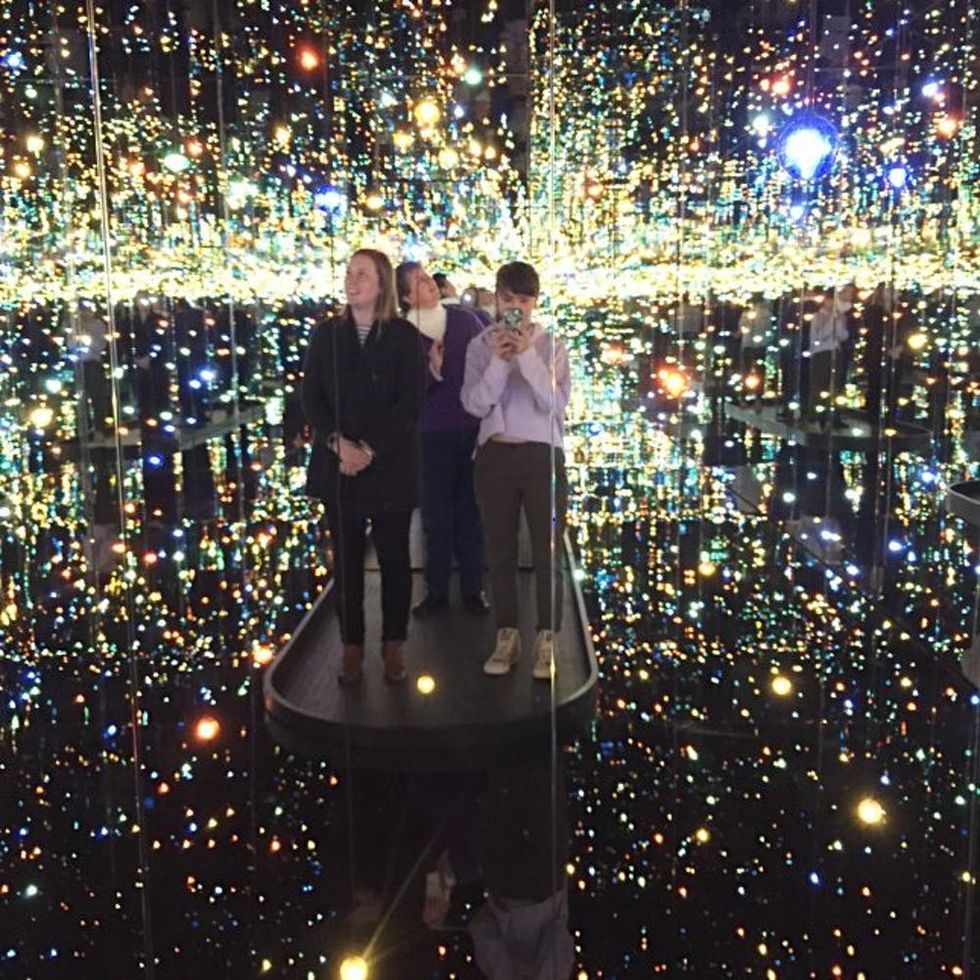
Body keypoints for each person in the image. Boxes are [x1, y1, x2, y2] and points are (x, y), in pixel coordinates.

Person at [302, 248, 426, 685]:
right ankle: (351, 646)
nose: (352, 281)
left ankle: (393, 644)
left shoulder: (403, 337)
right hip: (338, 465)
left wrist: (368, 449)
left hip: (388, 464)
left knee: (394, 560)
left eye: (362, 274)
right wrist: (339, 445)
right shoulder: (327, 335)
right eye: (349, 273)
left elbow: (410, 402)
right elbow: (311, 396)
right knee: (347, 563)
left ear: (382, 284)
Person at [461, 261, 570, 681]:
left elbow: (555, 404)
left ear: (534, 303)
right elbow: (474, 404)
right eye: (507, 299)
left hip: (543, 455)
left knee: (547, 551)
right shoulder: (480, 345)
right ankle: (506, 634)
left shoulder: (552, 344)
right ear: (496, 298)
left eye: (523, 300)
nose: (515, 308)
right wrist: (499, 362)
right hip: (494, 456)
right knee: (500, 551)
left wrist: (525, 356)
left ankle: (547, 636)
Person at [395, 261, 489, 617]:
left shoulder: (464, 320)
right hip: (430, 433)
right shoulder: (401, 334)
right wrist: (431, 371)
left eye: (426, 277)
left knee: (470, 509)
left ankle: (473, 588)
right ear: (406, 296)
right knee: (435, 515)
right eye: (418, 282)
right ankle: (436, 591)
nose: (429, 283)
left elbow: (491, 357)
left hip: (471, 426)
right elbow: (398, 390)